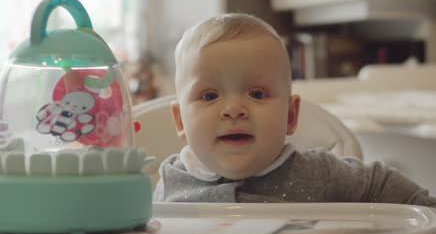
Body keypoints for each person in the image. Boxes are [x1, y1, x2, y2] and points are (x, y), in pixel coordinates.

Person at [153, 13, 436, 207]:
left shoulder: (321, 174)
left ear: (290, 116)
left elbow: (409, 202)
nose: (234, 109)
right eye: (210, 95)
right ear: (180, 120)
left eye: (257, 93)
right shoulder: (169, 182)